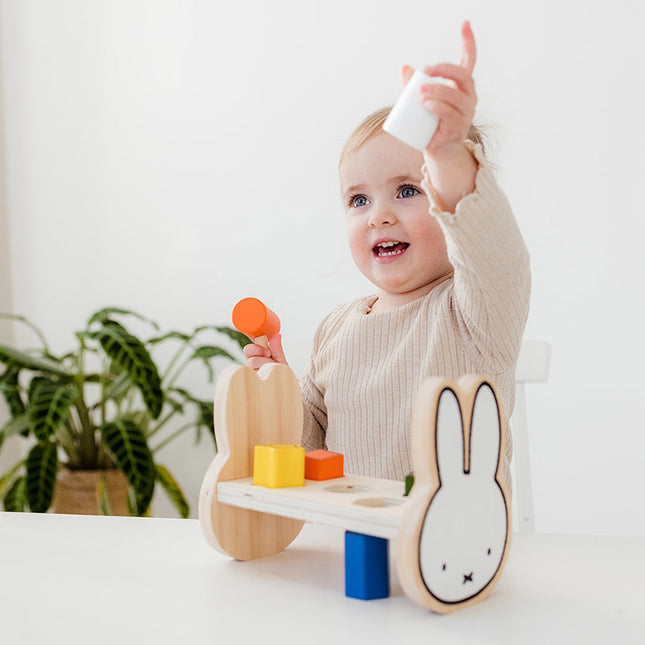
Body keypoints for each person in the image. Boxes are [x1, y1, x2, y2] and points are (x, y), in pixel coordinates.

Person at [243, 21, 530, 486]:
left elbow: (497, 255)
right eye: (358, 200)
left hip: (450, 551)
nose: (378, 216)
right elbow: (312, 452)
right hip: (347, 542)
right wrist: (279, 390)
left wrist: (448, 156)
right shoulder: (335, 331)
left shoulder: (477, 313)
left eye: (408, 190)